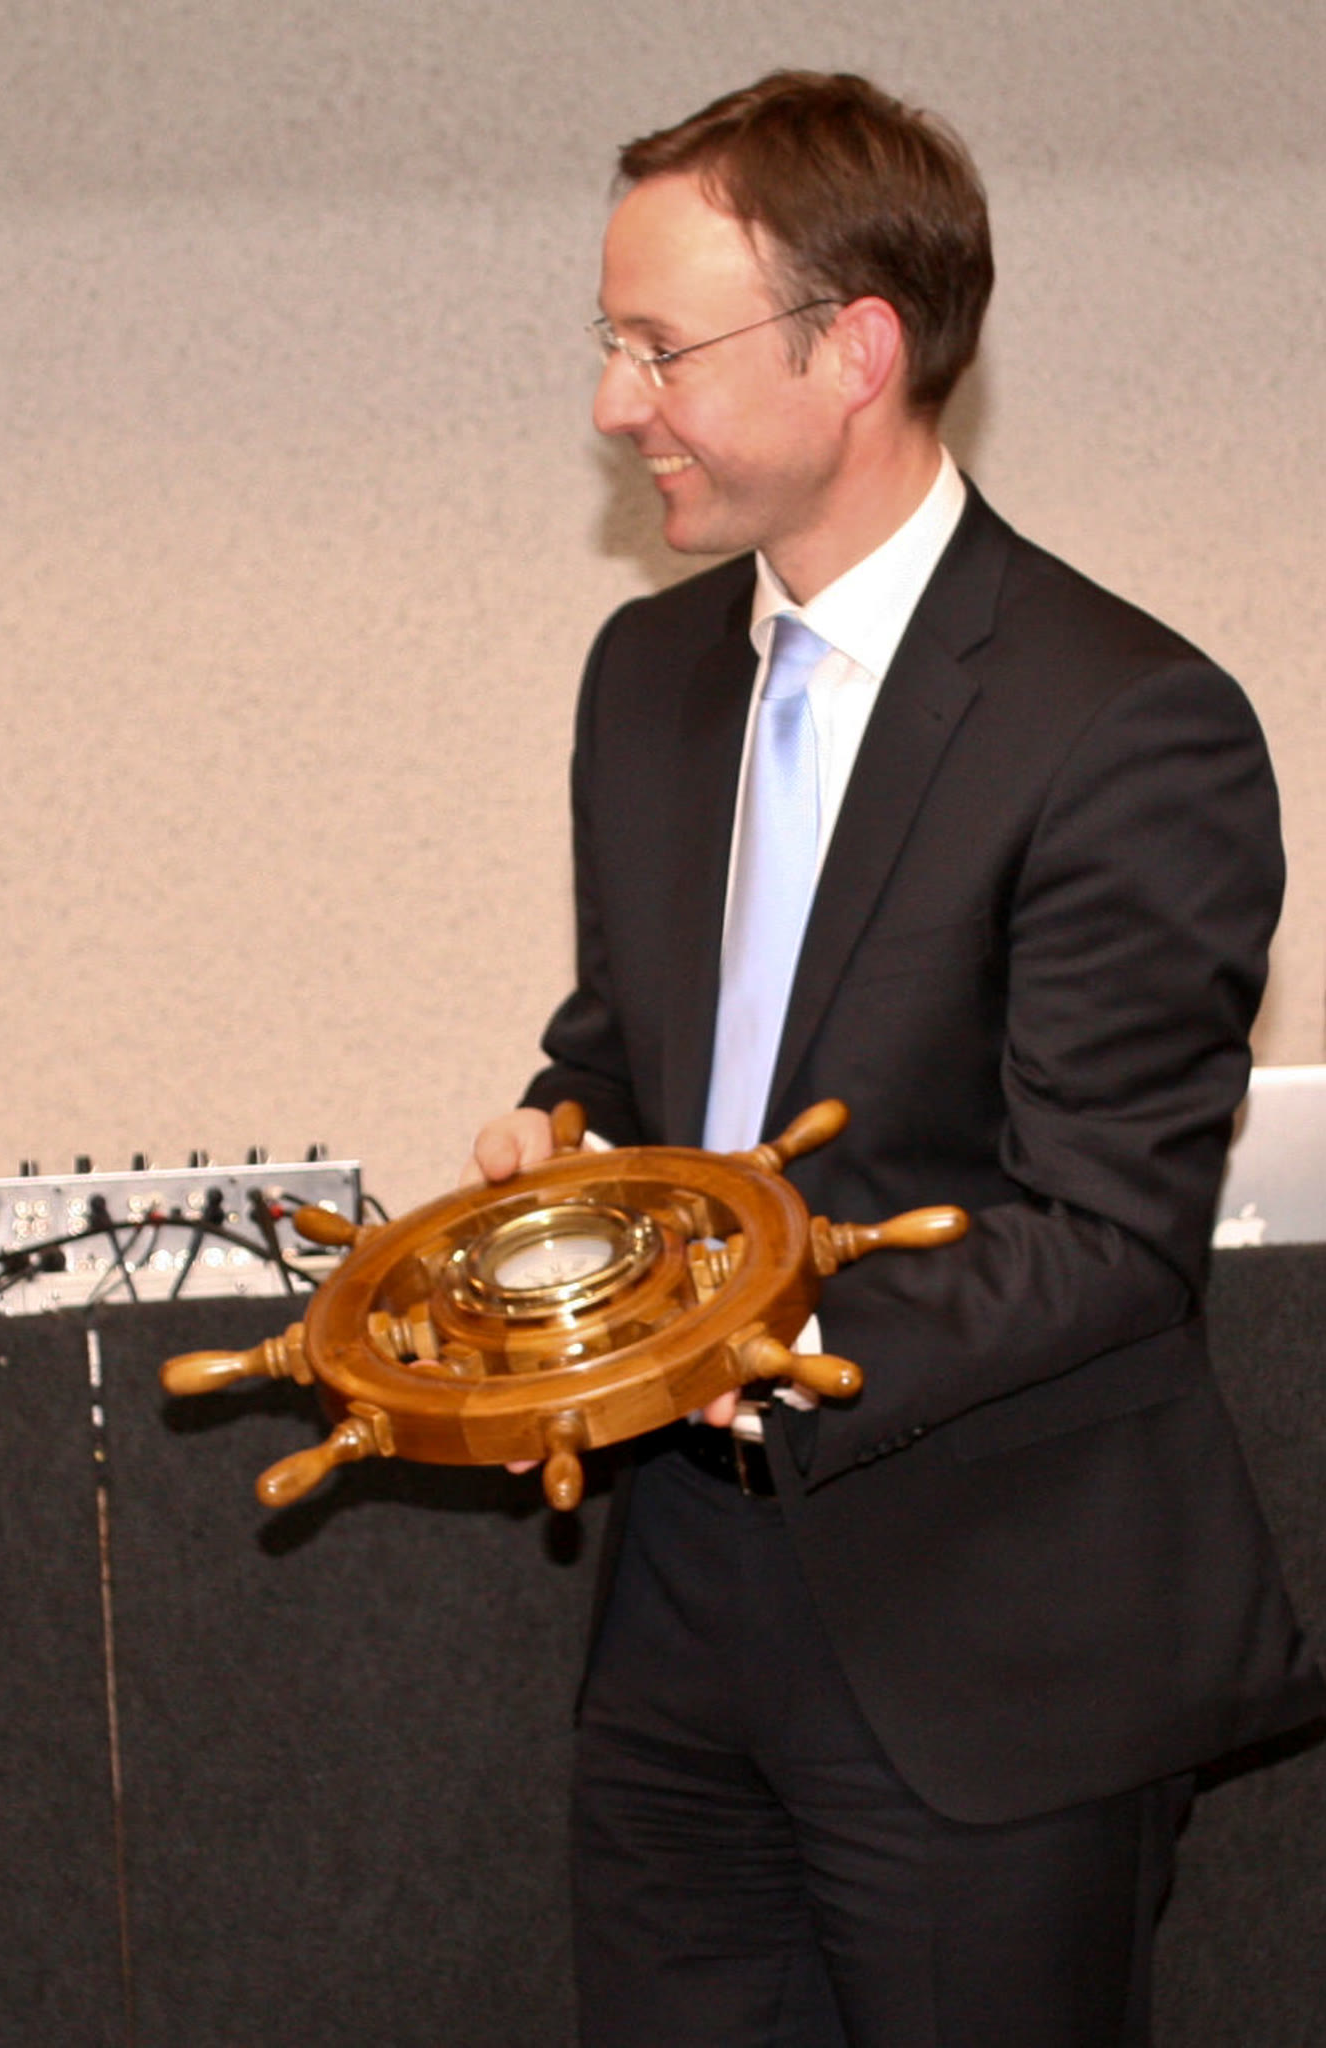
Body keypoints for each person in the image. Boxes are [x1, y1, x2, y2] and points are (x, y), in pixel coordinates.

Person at [468, 70, 1323, 2048]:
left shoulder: (1129, 723)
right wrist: (559, 1158)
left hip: (987, 1642)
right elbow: (626, 1057)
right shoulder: (645, 677)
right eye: (610, 341)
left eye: (659, 348)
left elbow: (1108, 1234)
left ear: (854, 351)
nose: (612, 402)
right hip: (675, 1618)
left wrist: (755, 1323)